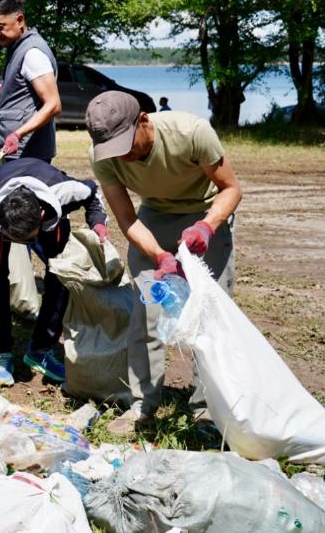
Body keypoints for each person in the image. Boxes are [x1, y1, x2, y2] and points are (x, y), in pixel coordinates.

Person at [85, 91, 241, 435]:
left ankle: (208, 410)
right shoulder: (103, 156)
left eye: (127, 144)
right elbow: (126, 217)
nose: (123, 156)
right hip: (153, 216)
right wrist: (160, 256)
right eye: (113, 150)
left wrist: (207, 225)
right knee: (147, 312)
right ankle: (142, 406)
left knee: (209, 314)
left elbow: (230, 189)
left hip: (205, 211)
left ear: (143, 119)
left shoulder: (192, 133)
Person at [0, 158, 109, 385]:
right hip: (5, 188)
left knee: (60, 274)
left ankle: (41, 349)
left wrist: (98, 223)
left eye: (26, 239)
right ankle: (2, 353)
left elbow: (92, 191)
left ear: (40, 216)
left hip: (51, 213)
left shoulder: (65, 191)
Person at [0, 0, 61, 162]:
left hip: (29, 154)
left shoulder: (32, 53)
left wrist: (18, 134)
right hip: (18, 152)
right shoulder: (18, 49)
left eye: (0, 27)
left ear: (19, 20)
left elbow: (53, 105)